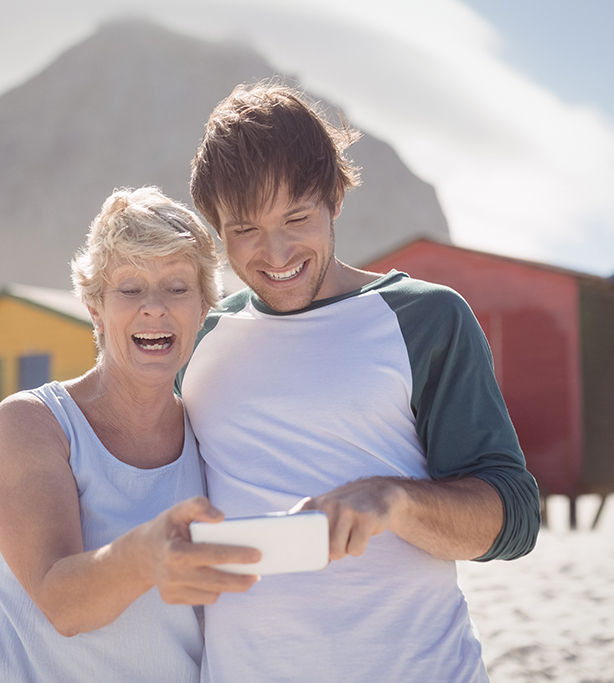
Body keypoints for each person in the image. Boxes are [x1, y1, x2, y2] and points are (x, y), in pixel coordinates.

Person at [175, 82, 541, 682]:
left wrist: (391, 500)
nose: (276, 252)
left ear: (336, 198)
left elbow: (514, 520)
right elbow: (137, 476)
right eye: (244, 230)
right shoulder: (199, 338)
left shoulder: (426, 319)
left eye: (297, 217)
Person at [0, 187, 260, 683]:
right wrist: (149, 551)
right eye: (130, 289)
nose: (154, 307)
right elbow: (63, 605)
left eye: (177, 287)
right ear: (95, 307)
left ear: (204, 308)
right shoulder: (33, 422)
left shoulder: (213, 437)